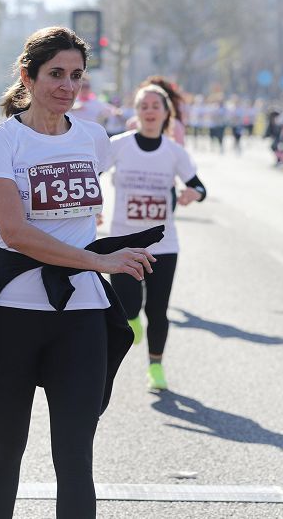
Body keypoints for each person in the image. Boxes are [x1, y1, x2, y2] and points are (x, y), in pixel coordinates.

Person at [0, 27, 162, 519]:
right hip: (13, 315)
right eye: (56, 75)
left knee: (75, 459)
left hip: (81, 315)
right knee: (6, 450)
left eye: (76, 76)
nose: (67, 86)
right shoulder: (2, 141)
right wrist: (100, 261)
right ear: (28, 76)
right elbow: (15, 232)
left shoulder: (92, 137)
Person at [105, 84, 206, 391]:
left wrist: (193, 193)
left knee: (158, 310)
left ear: (166, 114)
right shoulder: (119, 145)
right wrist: (89, 207)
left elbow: (200, 187)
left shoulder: (174, 152)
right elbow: (89, 175)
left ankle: (156, 367)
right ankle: (132, 319)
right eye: (143, 106)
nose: (149, 111)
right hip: (122, 242)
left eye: (155, 106)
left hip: (165, 245)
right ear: (136, 113)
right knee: (127, 305)